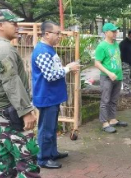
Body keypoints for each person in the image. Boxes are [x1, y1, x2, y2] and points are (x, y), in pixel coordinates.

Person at [0, 9, 41, 177]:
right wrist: (26, 111)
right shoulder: (3, 49)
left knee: (6, 155)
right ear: (0, 25)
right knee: (28, 155)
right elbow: (10, 81)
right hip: (9, 110)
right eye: (14, 23)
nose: (18, 27)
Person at [31, 21, 80, 169]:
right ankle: (43, 158)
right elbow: (50, 76)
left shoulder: (49, 49)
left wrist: (67, 68)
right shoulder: (42, 51)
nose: (59, 36)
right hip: (47, 97)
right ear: (47, 34)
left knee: (51, 127)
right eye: (57, 33)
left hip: (52, 96)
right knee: (46, 129)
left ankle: (52, 152)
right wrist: (68, 68)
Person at [95, 23, 128, 133]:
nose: (115, 33)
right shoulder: (101, 46)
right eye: (113, 31)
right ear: (106, 32)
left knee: (114, 100)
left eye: (116, 31)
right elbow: (97, 63)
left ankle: (113, 120)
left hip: (117, 77)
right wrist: (109, 72)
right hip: (107, 78)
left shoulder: (116, 44)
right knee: (105, 100)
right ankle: (104, 123)